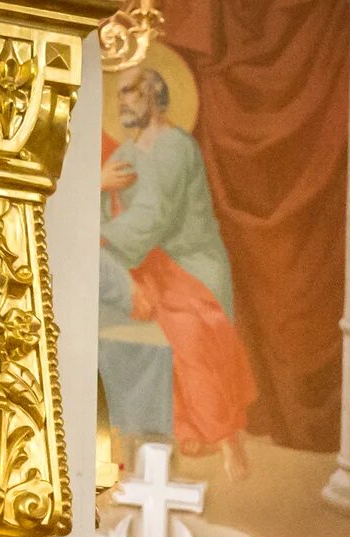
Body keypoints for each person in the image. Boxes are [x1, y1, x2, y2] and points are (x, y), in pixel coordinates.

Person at [101, 61, 254, 471]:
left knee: (189, 332)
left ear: (155, 95)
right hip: (143, 267)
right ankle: (135, 435)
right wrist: (98, 189)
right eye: (118, 94)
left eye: (130, 91)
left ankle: (223, 433)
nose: (122, 101)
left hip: (192, 267)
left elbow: (154, 216)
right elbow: (105, 215)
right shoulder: (125, 154)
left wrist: (104, 243)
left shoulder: (176, 147)